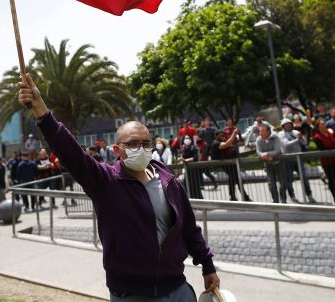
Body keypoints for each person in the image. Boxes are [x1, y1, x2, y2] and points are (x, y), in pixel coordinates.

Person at [19, 74, 220, 300]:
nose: (140, 148)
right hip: (130, 294)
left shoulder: (169, 181)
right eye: (132, 143)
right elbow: (70, 152)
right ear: (117, 150)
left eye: (145, 143)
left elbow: (190, 230)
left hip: (177, 289)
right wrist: (41, 110)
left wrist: (207, 265)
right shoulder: (105, 181)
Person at [278, 118, 315, 203]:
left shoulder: (296, 132)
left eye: (289, 124)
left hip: (298, 159)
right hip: (288, 160)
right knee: (289, 179)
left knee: (304, 178)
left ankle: (309, 195)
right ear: (283, 126)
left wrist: (302, 139)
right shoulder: (281, 134)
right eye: (286, 124)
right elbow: (286, 144)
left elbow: (304, 143)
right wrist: (297, 140)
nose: (288, 125)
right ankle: (292, 196)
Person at [313, 119, 335, 205]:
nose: (324, 125)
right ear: (318, 127)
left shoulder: (330, 133)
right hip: (327, 162)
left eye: (324, 123)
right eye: (322, 124)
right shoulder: (317, 137)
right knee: (331, 180)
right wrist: (334, 149)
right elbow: (322, 149)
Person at [256, 125, 287, 204]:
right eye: (259, 131)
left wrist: (267, 154)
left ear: (268, 131)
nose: (260, 133)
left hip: (279, 163)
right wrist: (263, 155)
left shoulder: (275, 137)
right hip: (268, 164)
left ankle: (283, 200)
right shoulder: (259, 139)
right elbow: (258, 151)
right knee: (271, 184)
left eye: (262, 131)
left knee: (282, 182)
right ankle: (275, 201)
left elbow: (277, 150)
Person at [179, 135, 203, 199]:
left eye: (188, 138)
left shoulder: (194, 147)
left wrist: (186, 160)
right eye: (185, 138)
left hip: (194, 169)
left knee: (195, 184)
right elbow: (182, 157)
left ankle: (199, 200)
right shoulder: (183, 148)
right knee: (186, 184)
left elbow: (195, 157)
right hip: (187, 170)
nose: (187, 139)